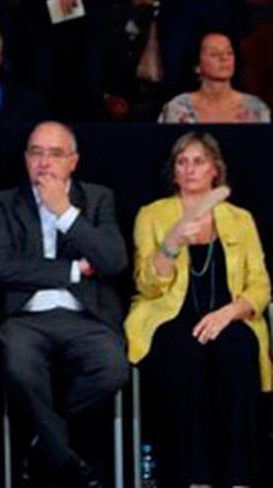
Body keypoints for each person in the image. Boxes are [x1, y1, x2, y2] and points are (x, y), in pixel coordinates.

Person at [0, 121, 129, 488]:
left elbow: (113, 261)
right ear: (25, 159)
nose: (44, 163)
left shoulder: (97, 199)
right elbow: (4, 268)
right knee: (18, 364)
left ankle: (44, 448)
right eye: (36, 153)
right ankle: (66, 459)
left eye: (54, 154)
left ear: (73, 161)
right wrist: (75, 270)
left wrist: (65, 212)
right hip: (26, 319)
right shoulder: (4, 203)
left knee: (112, 368)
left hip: (86, 318)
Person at [125, 132, 270, 488]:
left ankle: (239, 477)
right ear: (174, 172)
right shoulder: (152, 215)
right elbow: (146, 285)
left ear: (214, 170)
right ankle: (194, 479)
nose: (190, 169)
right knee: (186, 356)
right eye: (182, 162)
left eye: (199, 161)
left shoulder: (240, 218)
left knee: (237, 349)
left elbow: (260, 285)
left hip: (229, 317)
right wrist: (171, 243)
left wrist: (229, 313)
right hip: (169, 317)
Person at [158, 32, 270, 123]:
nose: (224, 58)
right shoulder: (178, 109)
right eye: (214, 54)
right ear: (197, 66)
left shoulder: (256, 108)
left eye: (229, 53)